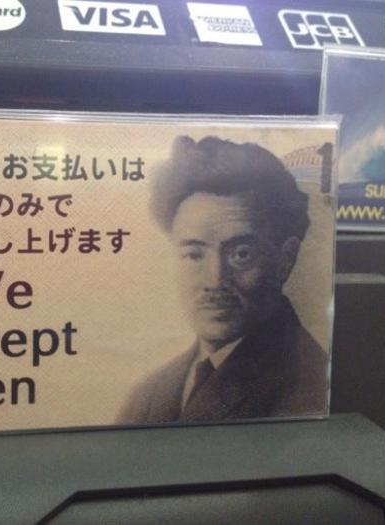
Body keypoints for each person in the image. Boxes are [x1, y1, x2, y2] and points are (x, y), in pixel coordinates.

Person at [117, 136, 329, 424]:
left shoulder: (307, 387)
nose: (215, 280)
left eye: (241, 254)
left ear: (285, 259)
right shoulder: (150, 393)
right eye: (194, 254)